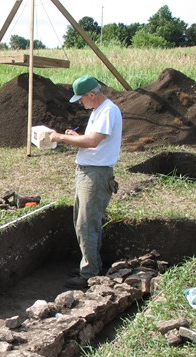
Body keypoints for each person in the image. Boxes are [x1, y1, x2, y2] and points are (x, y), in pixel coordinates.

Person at [50, 75, 122, 289]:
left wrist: (61, 138)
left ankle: (89, 273)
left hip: (96, 174)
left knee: (86, 224)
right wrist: (74, 136)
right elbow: (91, 139)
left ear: (92, 95)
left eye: (82, 99)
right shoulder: (98, 111)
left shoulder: (108, 111)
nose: (81, 103)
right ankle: (90, 265)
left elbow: (92, 141)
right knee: (82, 221)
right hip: (88, 172)